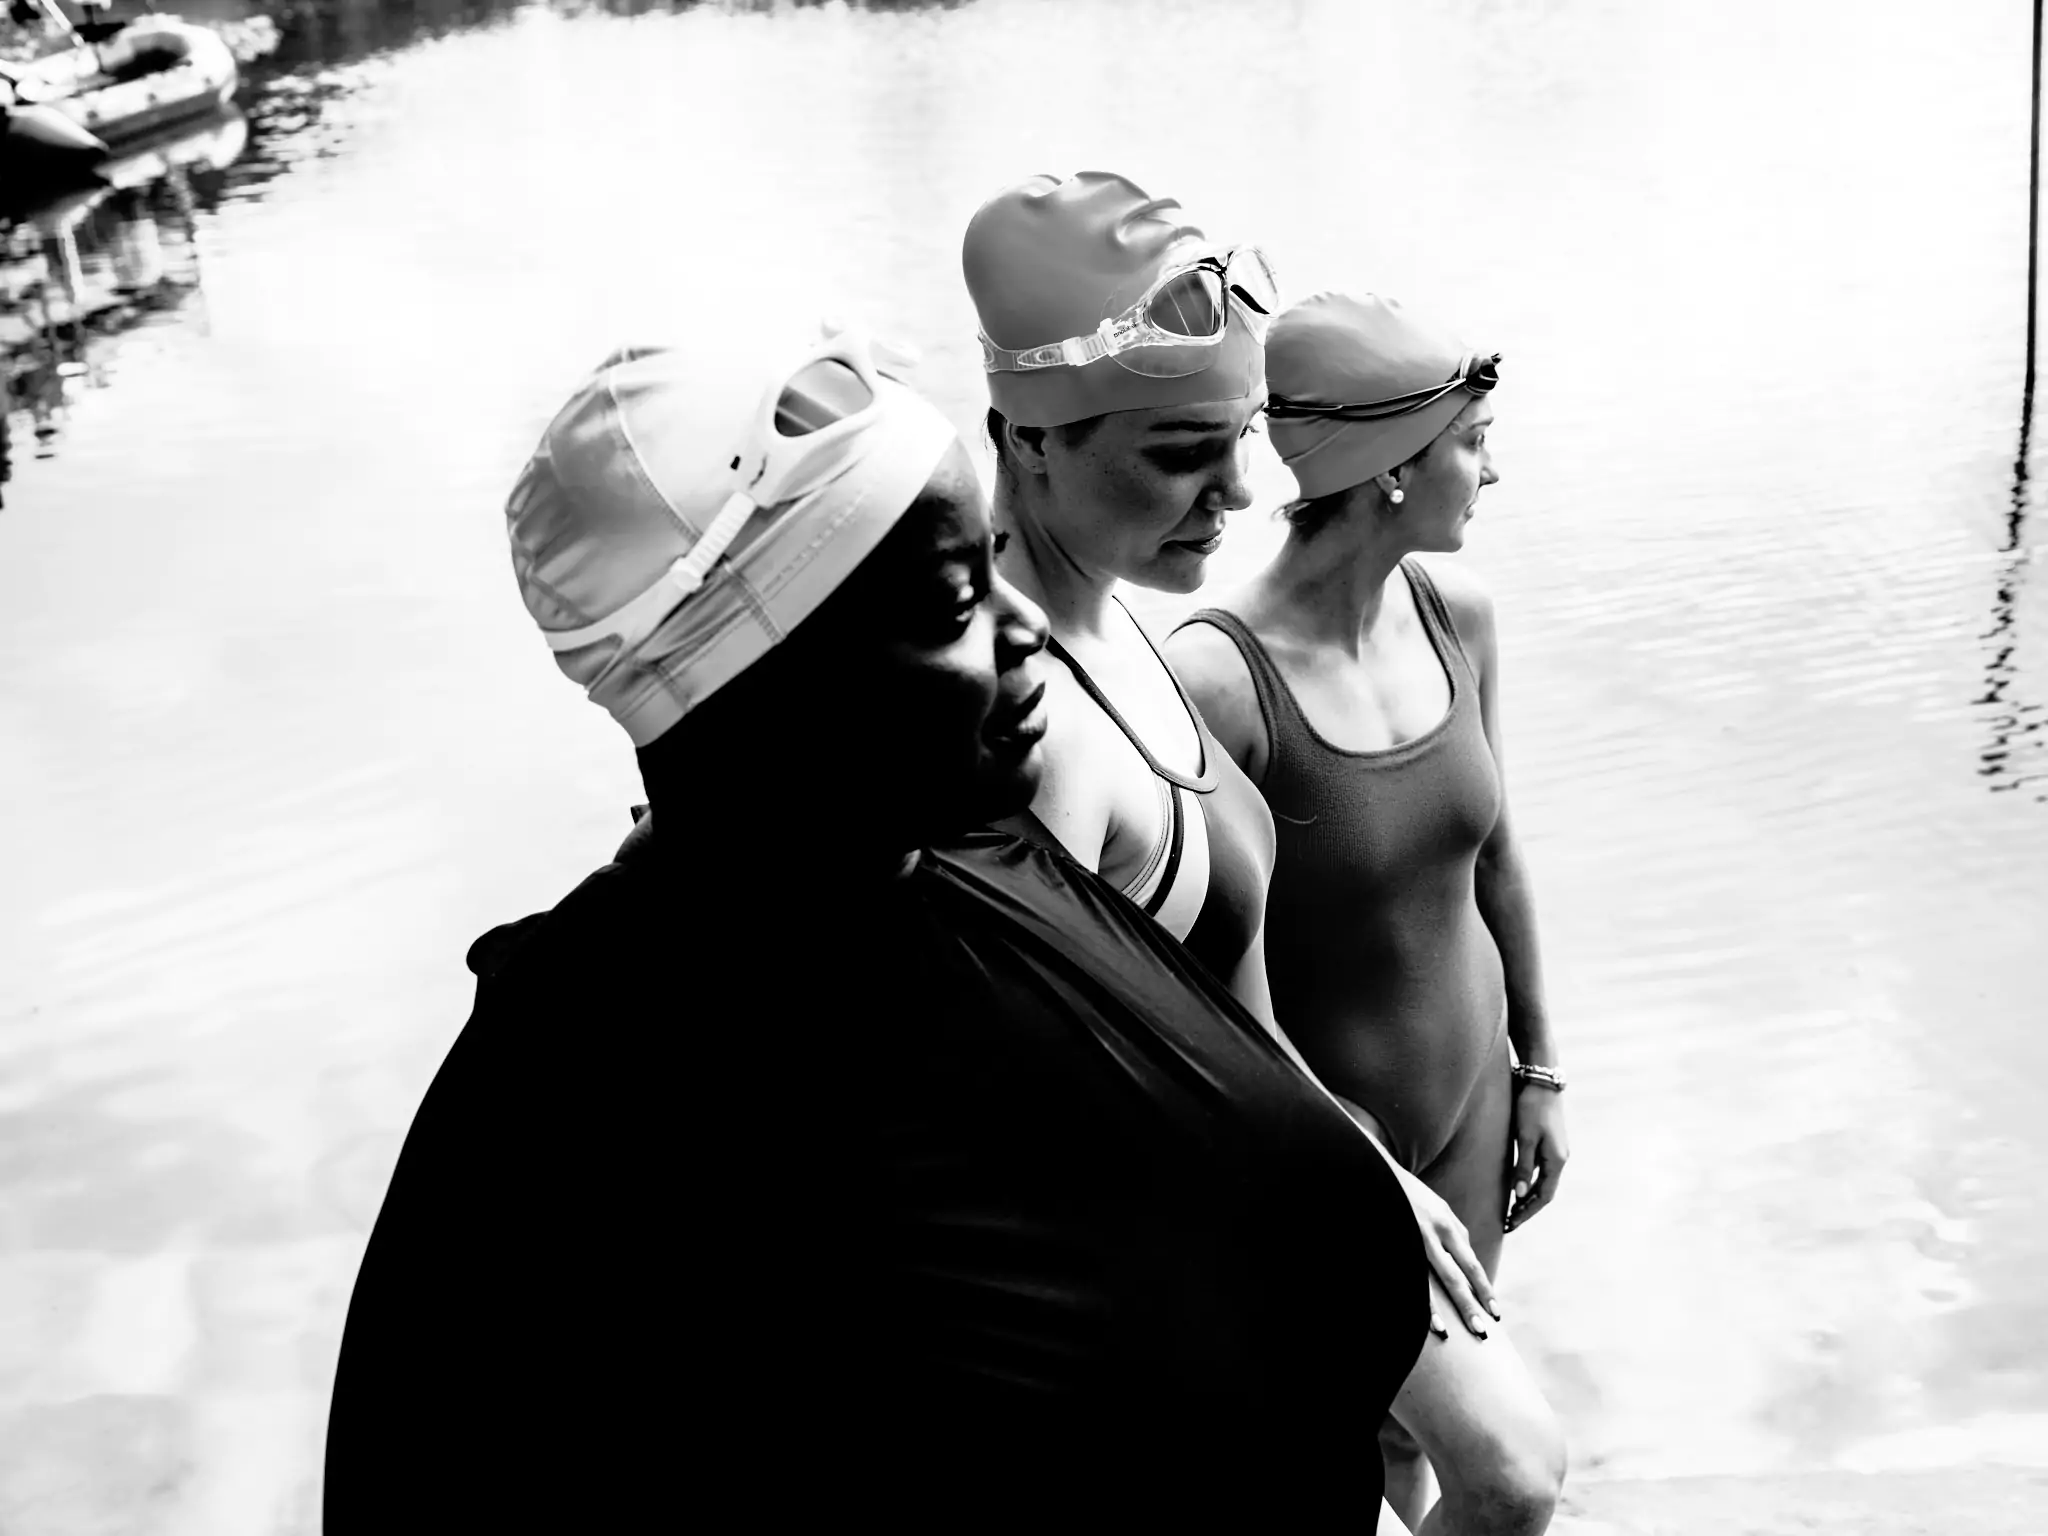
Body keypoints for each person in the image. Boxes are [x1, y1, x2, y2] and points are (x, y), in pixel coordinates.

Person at [322, 323, 1436, 1527]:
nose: (1027, 634)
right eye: (958, 595)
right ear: (764, 676)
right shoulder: (582, 1109)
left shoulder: (975, 861)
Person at [1165, 291, 1569, 1533]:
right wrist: (1341, 1159)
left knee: (1411, 1456)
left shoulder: (1460, 616)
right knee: (1478, 1479)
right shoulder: (1215, 677)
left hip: (1473, 1111)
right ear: (1390, 468)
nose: (1489, 468)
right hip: (1334, 1153)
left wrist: (1539, 1070)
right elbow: (1192, 978)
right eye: (1470, 440)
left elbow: (1494, 856)